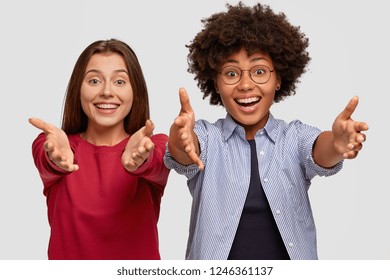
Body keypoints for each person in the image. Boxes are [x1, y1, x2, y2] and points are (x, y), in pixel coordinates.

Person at [164, 2, 368, 260]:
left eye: (259, 71)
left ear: (279, 79)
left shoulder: (293, 138)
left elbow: (319, 150)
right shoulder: (209, 138)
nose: (246, 84)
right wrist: (181, 138)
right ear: (215, 82)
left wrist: (337, 144)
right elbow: (186, 149)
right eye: (231, 73)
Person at [30, 39, 170, 260]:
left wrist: (140, 159)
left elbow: (156, 160)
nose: (106, 91)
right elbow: (47, 157)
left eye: (120, 82)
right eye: (94, 80)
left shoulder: (155, 145)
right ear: (79, 88)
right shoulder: (53, 144)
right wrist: (56, 158)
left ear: (136, 91)